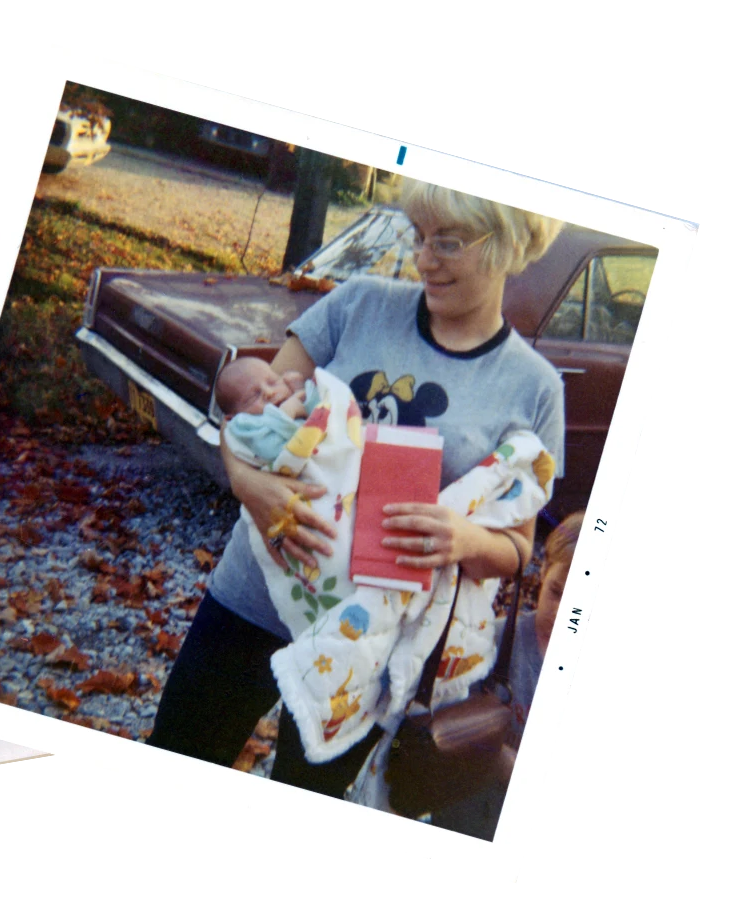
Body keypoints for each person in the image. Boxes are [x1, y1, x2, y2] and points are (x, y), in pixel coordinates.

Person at [148, 181, 566, 800]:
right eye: (419, 237)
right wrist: (248, 485)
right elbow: (248, 423)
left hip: (363, 650)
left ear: (506, 245)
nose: (424, 259)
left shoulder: (535, 388)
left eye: (447, 242)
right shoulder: (359, 305)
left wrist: (463, 538)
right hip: (253, 599)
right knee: (174, 762)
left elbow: (518, 548)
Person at [428, 511, 582, 838]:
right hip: (465, 809)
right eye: (556, 592)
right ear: (543, 572)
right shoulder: (497, 638)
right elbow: (449, 721)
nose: (559, 612)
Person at [214, 356, 317, 465]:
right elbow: (270, 451)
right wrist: (285, 414)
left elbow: (322, 411)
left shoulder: (292, 399)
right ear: (232, 418)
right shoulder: (245, 427)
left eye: (273, 382)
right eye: (252, 397)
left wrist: (301, 392)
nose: (269, 392)